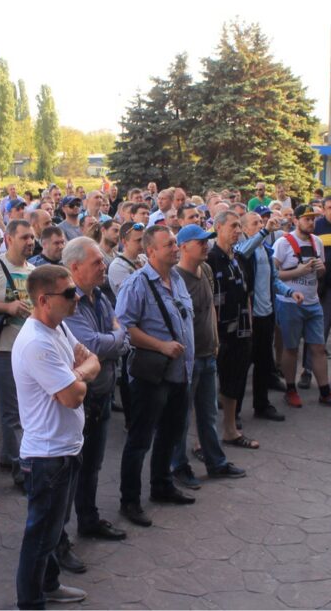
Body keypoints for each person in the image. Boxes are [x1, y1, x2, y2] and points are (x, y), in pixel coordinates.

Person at [12, 264, 98, 609]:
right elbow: (73, 396)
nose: (76, 297)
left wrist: (75, 374)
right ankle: (30, 601)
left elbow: (93, 360)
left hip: (65, 449)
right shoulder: (36, 342)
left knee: (52, 529)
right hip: (47, 455)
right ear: (44, 300)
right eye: (68, 293)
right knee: (41, 535)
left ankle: (48, 584)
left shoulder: (59, 327)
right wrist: (78, 379)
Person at [116, 226, 197, 528]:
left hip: (181, 373)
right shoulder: (136, 284)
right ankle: (130, 500)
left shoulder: (176, 278)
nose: (176, 248)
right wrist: (160, 345)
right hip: (152, 375)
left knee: (171, 433)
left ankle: (162, 485)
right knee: (140, 439)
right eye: (169, 245)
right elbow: (124, 327)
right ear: (150, 252)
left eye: (176, 243)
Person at [59, 238, 130, 566]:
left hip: (101, 394)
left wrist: (113, 338)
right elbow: (93, 344)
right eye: (97, 262)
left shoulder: (99, 294)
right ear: (75, 268)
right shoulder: (69, 303)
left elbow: (117, 336)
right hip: (79, 401)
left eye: (103, 261)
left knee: (92, 466)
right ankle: (58, 540)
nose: (104, 266)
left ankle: (88, 520)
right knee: (70, 473)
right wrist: (115, 337)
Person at [172, 224, 247, 489]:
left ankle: (216, 462)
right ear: (183, 247)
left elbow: (210, 308)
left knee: (207, 414)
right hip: (187, 360)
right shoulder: (174, 277)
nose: (206, 245)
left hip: (208, 354)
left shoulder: (204, 269)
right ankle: (178, 466)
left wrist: (215, 340)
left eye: (207, 241)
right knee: (181, 416)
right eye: (200, 242)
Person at [0, 220, 36, 488]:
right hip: (3, 349)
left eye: (32, 237)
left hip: (28, 350)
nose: (30, 242)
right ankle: (19, 467)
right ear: (9, 239)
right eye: (24, 237)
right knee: (13, 411)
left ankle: (8, 457)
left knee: (25, 409)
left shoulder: (34, 270)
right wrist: (7, 308)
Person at [273, 207, 331, 409]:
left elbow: (319, 272)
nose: (311, 222)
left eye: (313, 219)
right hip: (289, 303)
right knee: (291, 348)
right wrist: (299, 271)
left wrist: (321, 270)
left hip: (313, 302)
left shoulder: (318, 242)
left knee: (318, 347)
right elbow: (273, 275)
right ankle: (290, 389)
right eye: (306, 219)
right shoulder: (283, 242)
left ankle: (325, 392)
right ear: (296, 220)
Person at [207, 212, 257, 448]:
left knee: (234, 381)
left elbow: (247, 293)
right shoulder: (210, 258)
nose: (238, 230)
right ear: (218, 227)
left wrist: (251, 324)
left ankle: (230, 430)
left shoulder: (239, 257)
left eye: (240, 226)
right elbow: (206, 302)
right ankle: (202, 442)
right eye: (233, 226)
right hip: (218, 334)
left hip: (241, 331)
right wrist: (213, 337)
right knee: (207, 388)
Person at [235, 212, 291, 420]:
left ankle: (262, 405)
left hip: (266, 314)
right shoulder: (241, 249)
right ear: (245, 229)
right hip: (250, 317)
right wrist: (265, 230)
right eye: (255, 223)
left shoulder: (266, 250)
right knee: (242, 367)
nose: (261, 225)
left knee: (263, 363)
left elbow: (274, 279)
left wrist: (288, 292)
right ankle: (235, 412)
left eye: (261, 222)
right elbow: (243, 253)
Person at [108, 223, 145, 295]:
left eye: (144, 239)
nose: (143, 243)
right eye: (138, 240)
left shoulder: (145, 258)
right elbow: (135, 293)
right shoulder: (117, 266)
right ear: (124, 242)